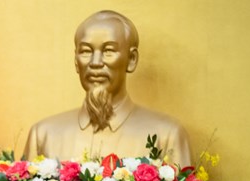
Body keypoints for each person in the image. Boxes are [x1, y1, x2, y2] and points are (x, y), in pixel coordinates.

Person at [23, 10, 192, 165]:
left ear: (131, 59)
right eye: (86, 51)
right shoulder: (43, 135)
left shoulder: (167, 136)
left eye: (108, 51)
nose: (95, 63)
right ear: (76, 61)